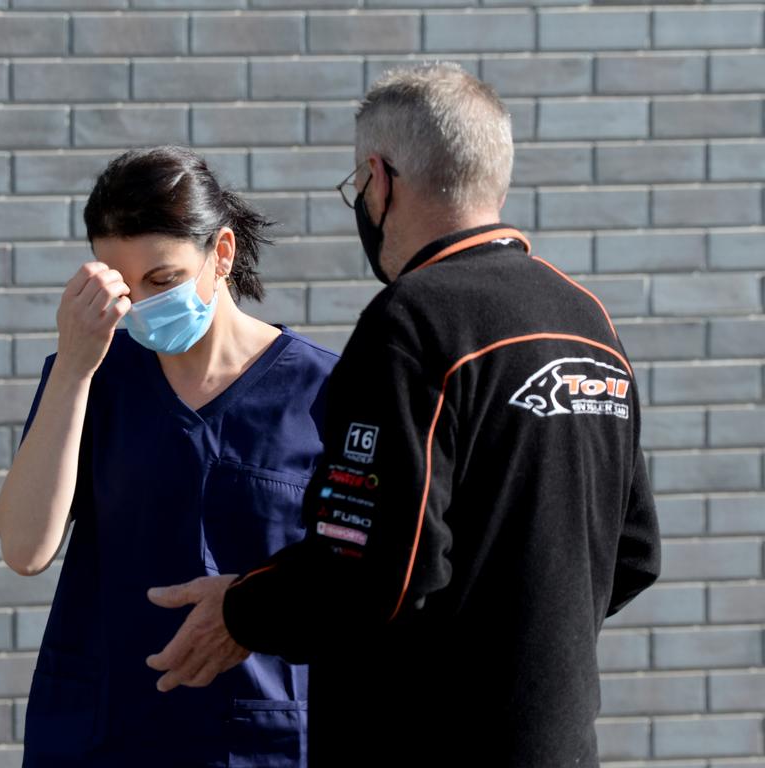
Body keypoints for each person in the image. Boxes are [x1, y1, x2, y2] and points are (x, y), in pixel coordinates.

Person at [146, 63, 662, 767]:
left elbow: (376, 563)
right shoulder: (587, 321)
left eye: (358, 187)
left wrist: (242, 610)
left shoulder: (412, 323)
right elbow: (633, 554)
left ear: (378, 179)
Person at [0, 146, 338, 767]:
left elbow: (353, 579)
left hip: (258, 739)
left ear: (221, 255)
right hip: (103, 732)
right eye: (122, 287)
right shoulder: (91, 377)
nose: (144, 307)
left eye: (164, 281)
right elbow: (24, 548)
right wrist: (73, 366)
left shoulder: (324, 392)